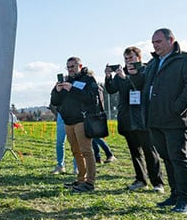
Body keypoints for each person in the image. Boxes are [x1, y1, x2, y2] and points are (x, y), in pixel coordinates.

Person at [129, 28, 187, 214]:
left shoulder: (186, 60)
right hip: (155, 119)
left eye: (159, 42)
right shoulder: (154, 62)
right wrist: (134, 74)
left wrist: (177, 108)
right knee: (167, 158)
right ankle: (175, 195)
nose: (155, 45)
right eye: (153, 42)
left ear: (171, 40)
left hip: (175, 119)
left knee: (179, 158)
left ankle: (186, 200)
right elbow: (142, 85)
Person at [105, 47, 164, 192]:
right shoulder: (121, 73)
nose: (128, 61)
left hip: (143, 118)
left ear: (139, 57)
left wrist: (127, 78)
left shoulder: (146, 70)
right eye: (126, 59)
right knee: (135, 152)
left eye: (130, 58)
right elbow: (111, 90)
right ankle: (141, 179)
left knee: (150, 152)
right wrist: (108, 77)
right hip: (127, 117)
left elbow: (141, 86)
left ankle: (157, 182)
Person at [50, 56, 100, 192]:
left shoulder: (88, 80)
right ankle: (80, 179)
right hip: (68, 121)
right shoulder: (66, 81)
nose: (70, 69)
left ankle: (90, 182)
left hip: (82, 120)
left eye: (73, 66)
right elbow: (55, 102)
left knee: (86, 151)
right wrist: (57, 91)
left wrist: (72, 89)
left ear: (80, 66)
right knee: (75, 151)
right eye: (68, 67)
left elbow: (91, 98)